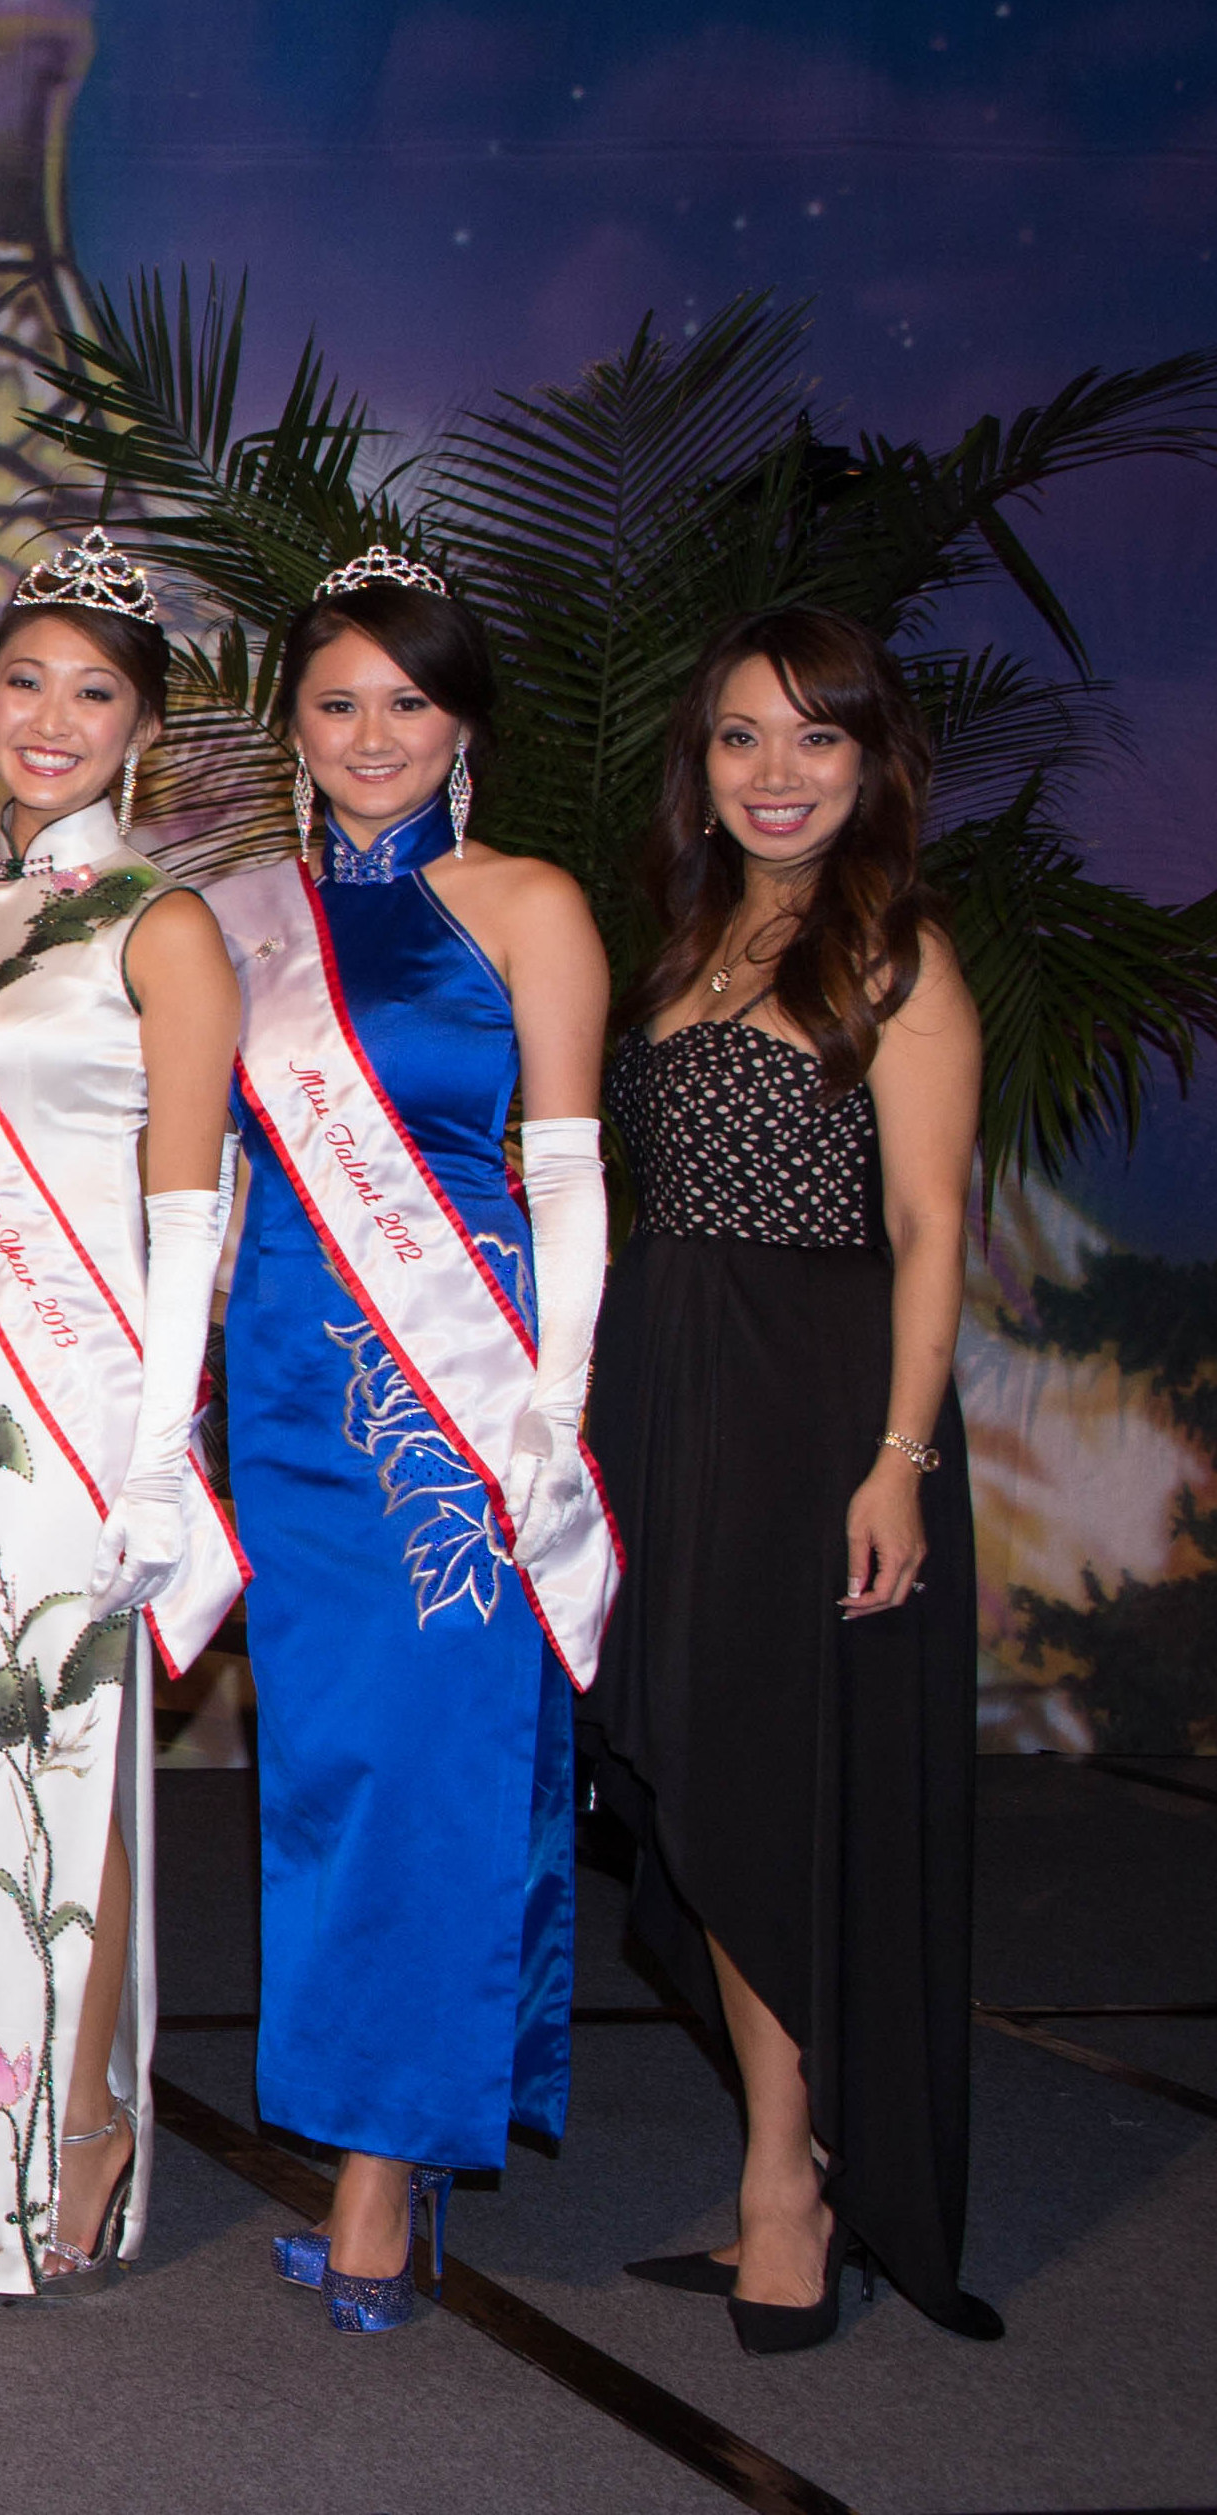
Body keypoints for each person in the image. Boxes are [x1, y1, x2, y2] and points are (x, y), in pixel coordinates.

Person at [589, 608, 1006, 2350]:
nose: (775, 773)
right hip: (667, 1395)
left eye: (812, 740)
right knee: (690, 1771)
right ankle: (783, 2153)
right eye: (741, 738)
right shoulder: (691, 935)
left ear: (870, 763)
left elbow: (926, 1231)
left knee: (771, 1790)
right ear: (702, 761)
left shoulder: (897, 953)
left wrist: (897, 1463)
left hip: (815, 1415)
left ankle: (787, 2183)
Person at [214, 548, 607, 2334]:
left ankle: (381, 2175)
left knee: (430, 1762)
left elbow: (571, 1180)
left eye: (407, 701)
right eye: (336, 704)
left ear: (461, 722)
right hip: (292, 1393)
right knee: (322, 1774)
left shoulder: (524, 900)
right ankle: (390, 2118)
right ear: (291, 728)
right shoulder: (245, 913)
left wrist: (557, 1417)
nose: (372, 735)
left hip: (454, 1393)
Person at [0, 536, 242, 2297]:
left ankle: (76, 2118)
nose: (50, 718)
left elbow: (189, 1209)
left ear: (141, 731)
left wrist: (158, 1454)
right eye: (23, 682)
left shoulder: (163, 927)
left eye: (93, 692)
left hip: (80, 1399)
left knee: (57, 1762)